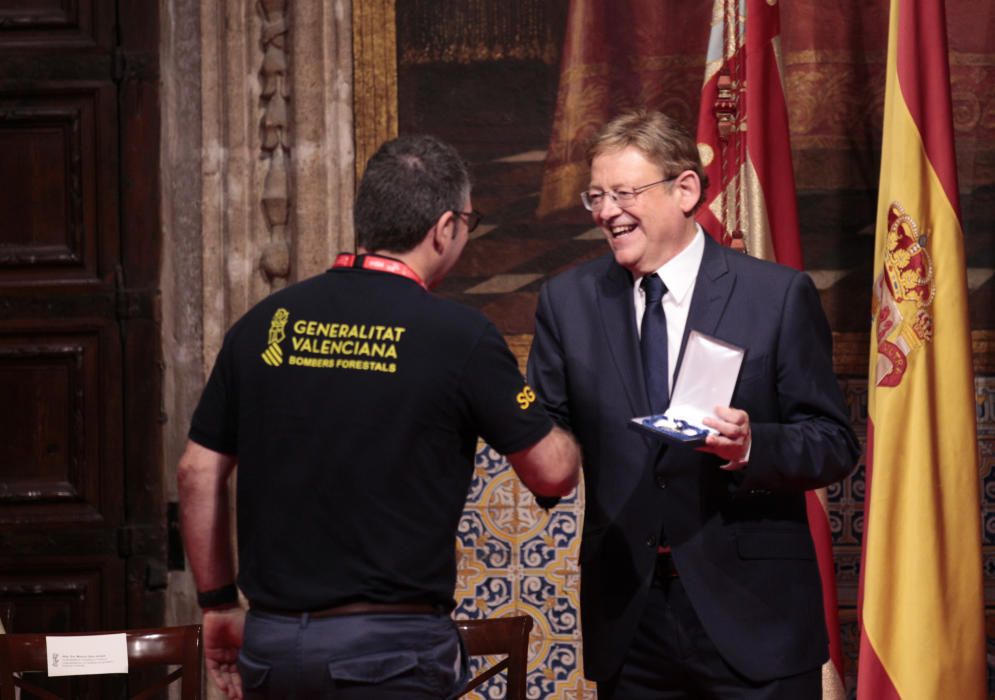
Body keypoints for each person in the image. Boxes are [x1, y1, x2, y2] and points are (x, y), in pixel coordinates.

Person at [178, 133, 581, 700]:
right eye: (469, 221)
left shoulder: (265, 323)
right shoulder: (459, 337)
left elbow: (197, 473)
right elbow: (551, 472)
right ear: (445, 227)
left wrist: (218, 602)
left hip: (272, 647)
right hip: (390, 654)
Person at [527, 110, 861, 699]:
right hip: (631, 620)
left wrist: (755, 444)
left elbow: (833, 441)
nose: (606, 212)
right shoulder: (567, 302)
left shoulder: (775, 296)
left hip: (755, 616)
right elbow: (548, 430)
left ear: (685, 189)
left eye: (624, 193)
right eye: (596, 196)